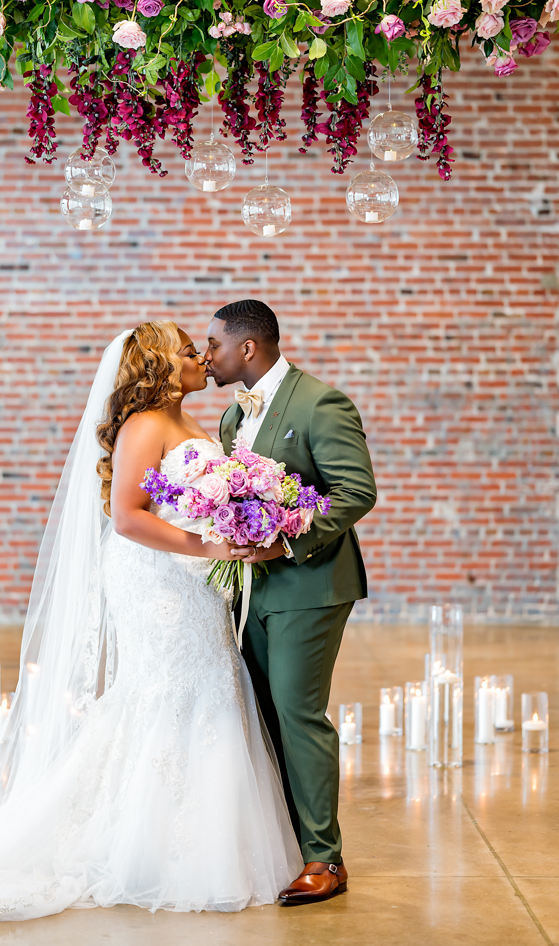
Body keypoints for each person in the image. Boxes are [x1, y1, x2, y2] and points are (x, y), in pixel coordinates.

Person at [0, 321, 301, 928]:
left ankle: (189, 834)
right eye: (188, 350)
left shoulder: (197, 424)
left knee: (207, 683)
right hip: (156, 579)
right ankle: (143, 843)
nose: (200, 358)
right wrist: (209, 547)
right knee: (165, 688)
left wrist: (243, 522)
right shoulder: (145, 424)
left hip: (192, 580)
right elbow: (128, 516)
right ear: (161, 365)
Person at [204, 300, 377, 904]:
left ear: (247, 348)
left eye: (214, 344)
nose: (207, 356)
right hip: (252, 590)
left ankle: (325, 861)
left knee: (299, 713)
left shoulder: (320, 402)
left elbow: (354, 491)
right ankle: (289, 844)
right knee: (265, 713)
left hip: (311, 584)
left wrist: (283, 541)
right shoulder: (231, 416)